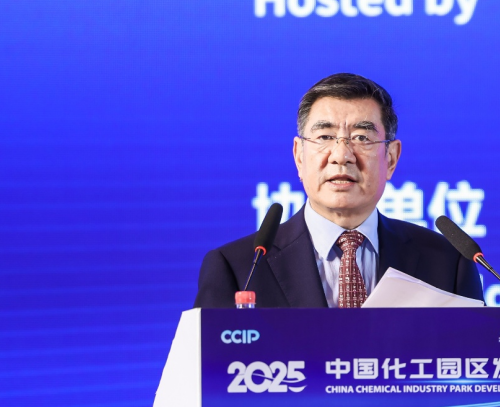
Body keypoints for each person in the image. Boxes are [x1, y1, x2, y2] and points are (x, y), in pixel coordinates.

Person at [194, 73, 483, 308]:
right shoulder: (239, 268)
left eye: (361, 137)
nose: (341, 155)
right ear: (299, 156)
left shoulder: (448, 262)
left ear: (391, 158)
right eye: (324, 136)